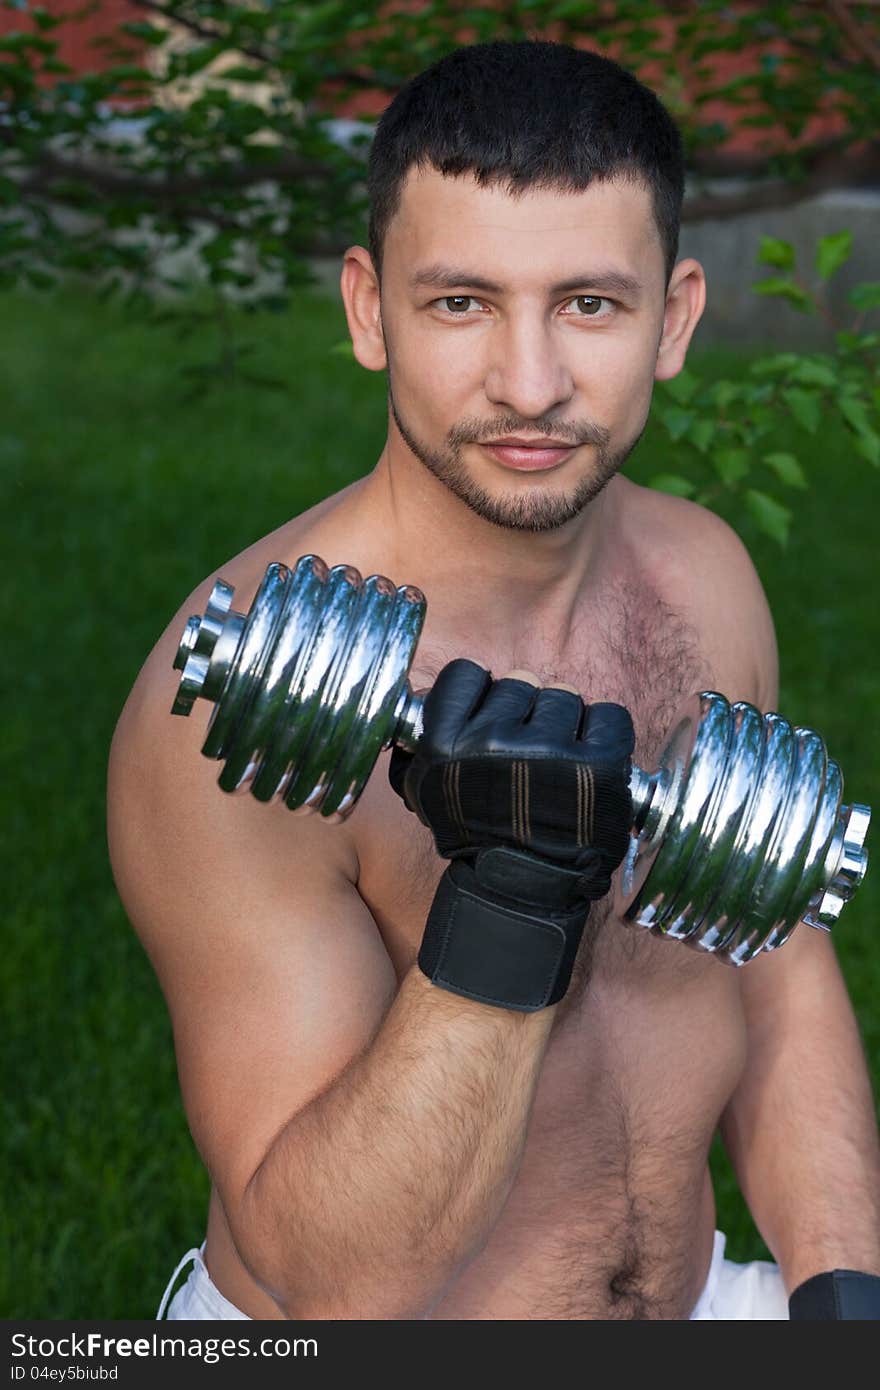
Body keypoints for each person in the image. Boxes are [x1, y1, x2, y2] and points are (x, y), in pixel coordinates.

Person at [108, 39, 880, 1320]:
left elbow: (772, 951)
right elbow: (330, 1280)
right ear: (369, 310)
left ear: (674, 319)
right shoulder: (232, 700)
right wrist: (510, 907)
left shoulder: (700, 579)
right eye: (461, 302)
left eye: (588, 304)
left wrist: (840, 1290)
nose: (530, 385)